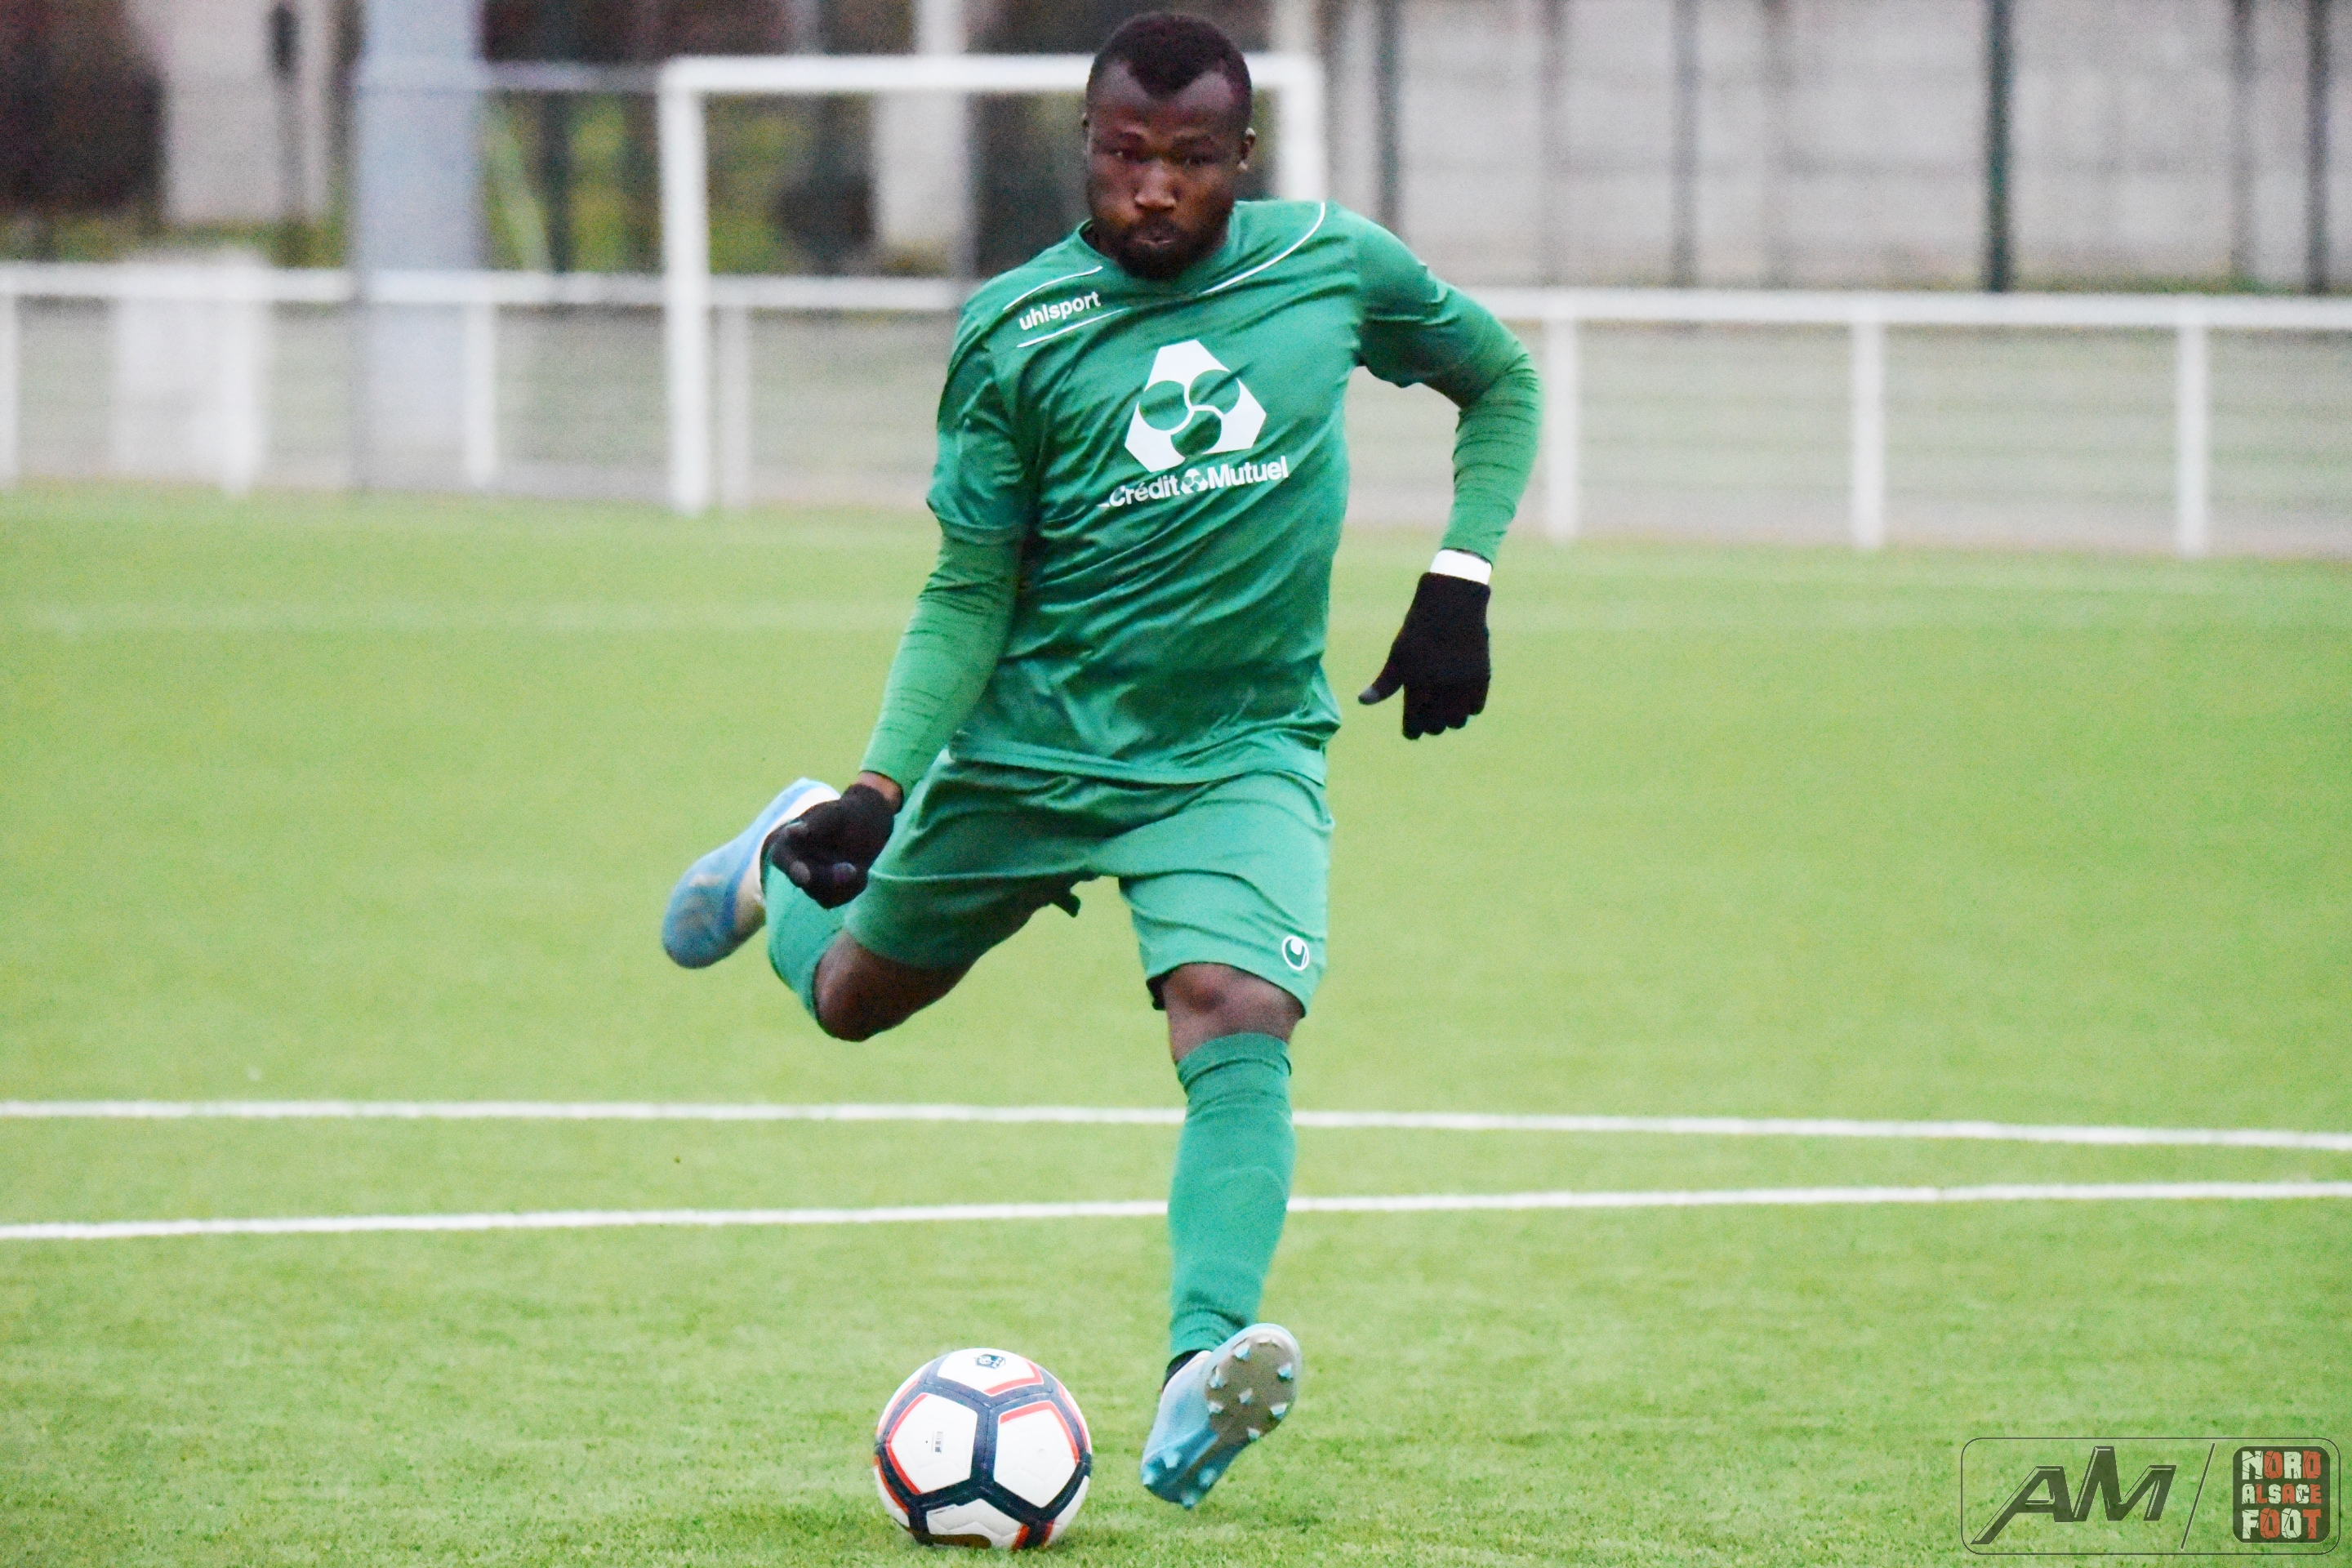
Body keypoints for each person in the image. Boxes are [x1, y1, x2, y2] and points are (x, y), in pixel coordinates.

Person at [661, 11, 1540, 1511]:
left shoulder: (1330, 265)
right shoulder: (1018, 332)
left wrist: (1460, 577)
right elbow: (968, 588)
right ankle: (780, 852)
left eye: (1189, 159)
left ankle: (1204, 1365)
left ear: (1243, 157)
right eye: (1126, 155)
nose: (1154, 187)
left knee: (1237, 1008)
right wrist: (873, 792)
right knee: (853, 1001)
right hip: (1033, 748)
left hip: (1237, 750)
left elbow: (1500, 381)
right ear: (1087, 144)